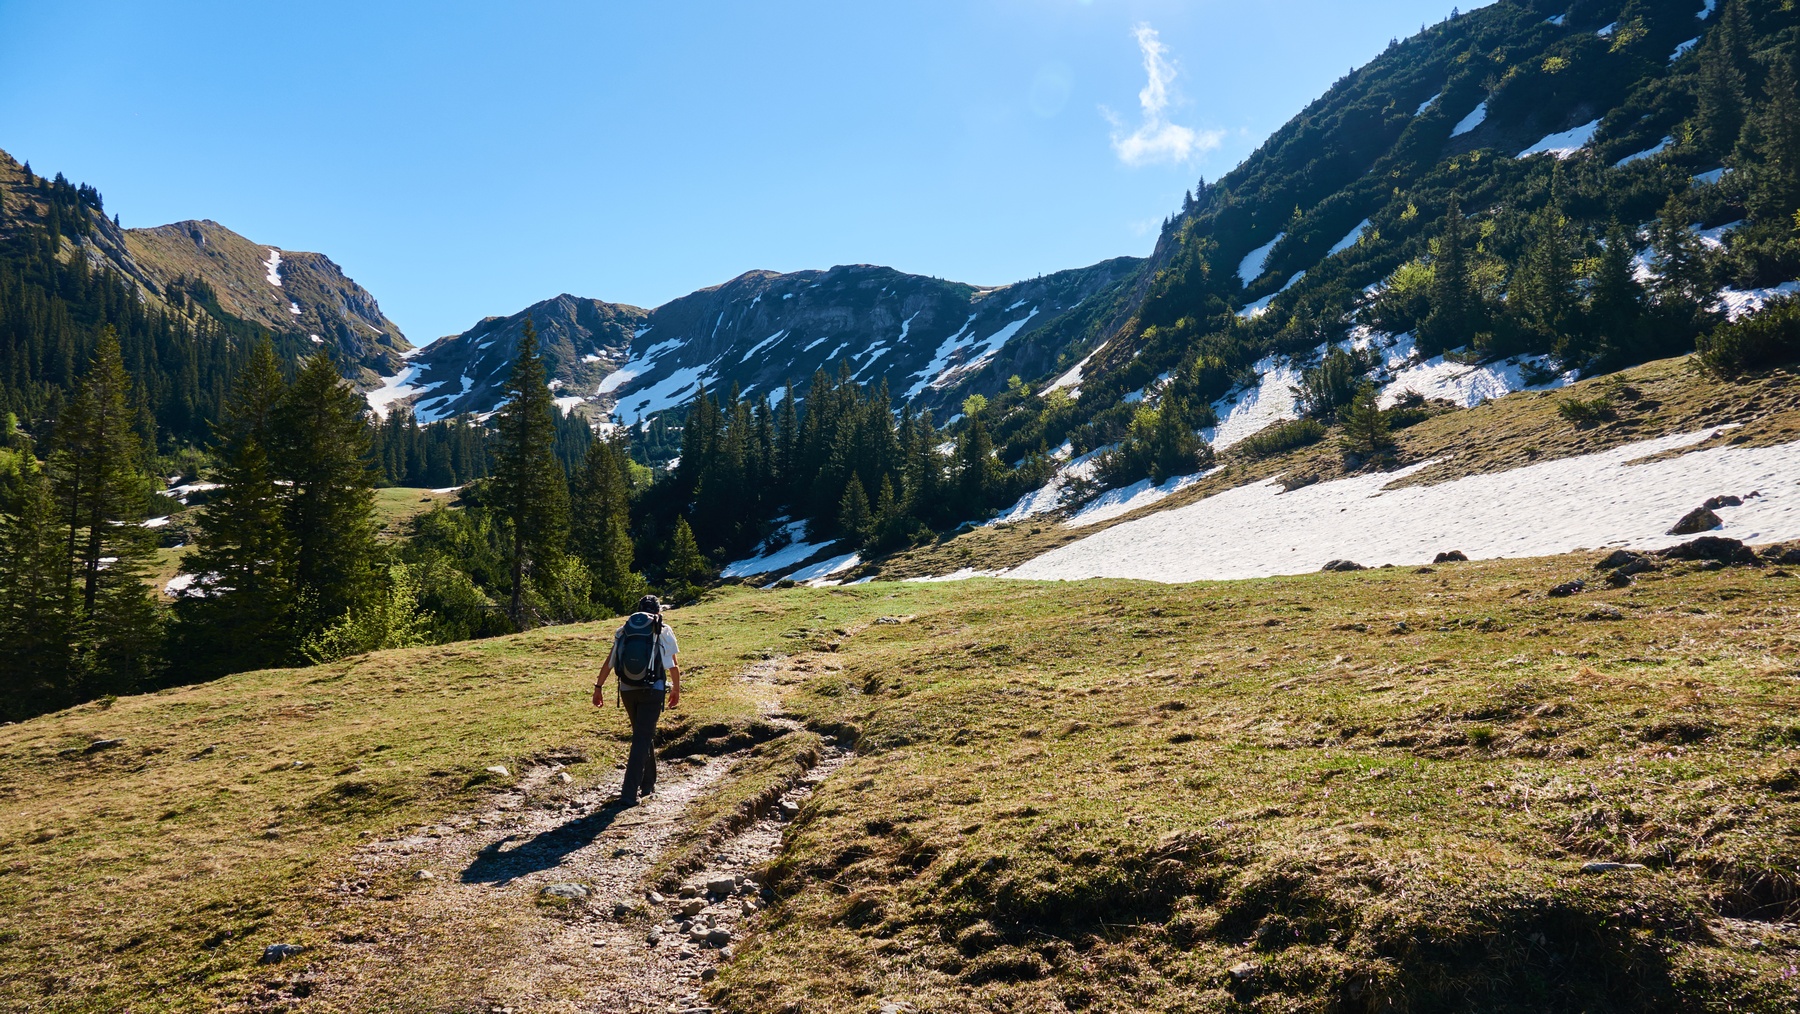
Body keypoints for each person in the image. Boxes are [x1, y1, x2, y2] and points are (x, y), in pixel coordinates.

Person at [592, 594, 682, 807]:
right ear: (658, 612)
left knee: (642, 733)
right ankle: (628, 793)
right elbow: (672, 665)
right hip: (653, 689)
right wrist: (676, 688)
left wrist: (598, 687)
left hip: (627, 690)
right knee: (642, 737)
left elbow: (610, 661)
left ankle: (648, 783)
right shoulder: (663, 630)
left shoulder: (624, 630)